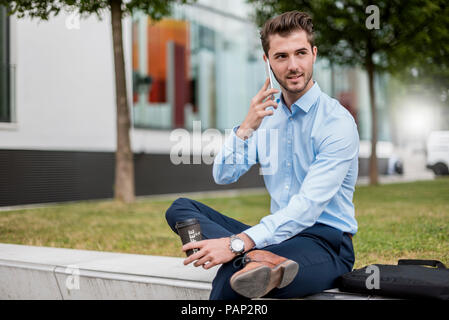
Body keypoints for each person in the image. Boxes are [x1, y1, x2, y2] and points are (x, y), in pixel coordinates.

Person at [165, 10, 359, 300]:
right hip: (278, 236)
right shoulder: (266, 117)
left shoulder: (337, 123)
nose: (293, 66)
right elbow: (223, 174)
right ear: (267, 61)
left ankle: (245, 259)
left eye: (301, 53)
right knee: (180, 209)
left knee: (234, 276)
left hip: (324, 243)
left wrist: (235, 245)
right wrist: (246, 128)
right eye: (281, 56)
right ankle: (252, 258)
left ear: (314, 54)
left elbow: (307, 207)